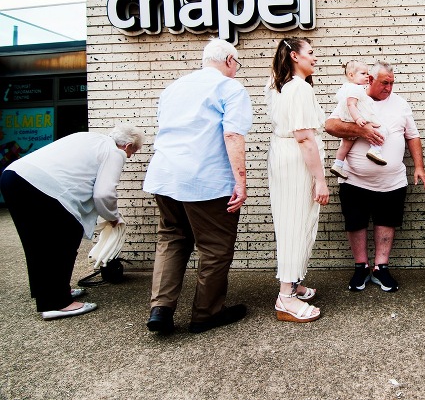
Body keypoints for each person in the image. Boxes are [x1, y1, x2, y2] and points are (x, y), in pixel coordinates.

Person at [143, 38, 253, 335]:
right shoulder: (230, 88)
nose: (236, 70)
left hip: (165, 176)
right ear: (230, 60)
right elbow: (232, 135)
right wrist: (241, 183)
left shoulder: (174, 88)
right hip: (205, 180)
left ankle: (161, 309)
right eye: (237, 64)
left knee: (172, 239)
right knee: (215, 249)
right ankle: (206, 313)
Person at [0, 123, 142, 320]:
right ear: (127, 146)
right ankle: (56, 302)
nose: (130, 157)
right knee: (64, 240)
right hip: (43, 187)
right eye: (133, 151)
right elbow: (103, 194)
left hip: (14, 176)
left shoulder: (89, 138)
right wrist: (113, 218)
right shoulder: (114, 152)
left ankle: (51, 292)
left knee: (36, 243)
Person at [325, 62, 425, 292]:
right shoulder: (355, 98)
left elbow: (413, 136)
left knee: (387, 222)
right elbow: (330, 125)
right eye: (385, 83)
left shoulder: (401, 104)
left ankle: (380, 268)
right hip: (354, 180)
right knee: (356, 223)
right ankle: (361, 267)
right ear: (370, 80)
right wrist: (362, 130)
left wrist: (419, 167)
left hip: (392, 182)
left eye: (392, 83)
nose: (389, 88)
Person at [266, 37, 329, 322]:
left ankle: (293, 282)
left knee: (292, 221)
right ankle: (285, 298)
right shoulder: (300, 89)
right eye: (311, 53)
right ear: (294, 56)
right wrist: (320, 179)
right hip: (296, 163)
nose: (315, 58)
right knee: (295, 224)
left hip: (283, 158)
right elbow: (304, 137)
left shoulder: (277, 85)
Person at [331, 59, 387, 179]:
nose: (367, 76)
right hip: (358, 118)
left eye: (367, 73)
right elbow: (351, 104)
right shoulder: (355, 88)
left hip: (348, 119)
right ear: (351, 75)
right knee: (381, 129)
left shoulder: (346, 87)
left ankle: (338, 164)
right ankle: (375, 150)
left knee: (346, 144)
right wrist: (358, 118)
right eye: (363, 73)